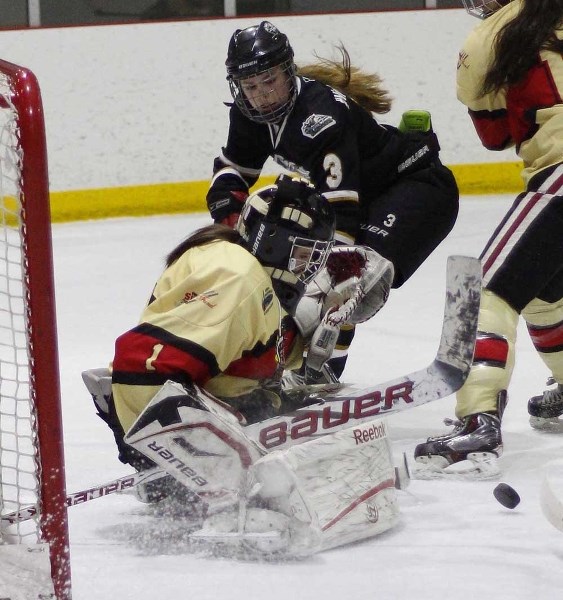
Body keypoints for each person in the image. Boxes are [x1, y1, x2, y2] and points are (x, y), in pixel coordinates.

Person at [206, 21, 460, 380]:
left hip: (418, 189)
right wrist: (232, 230)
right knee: (288, 258)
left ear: (288, 71)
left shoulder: (320, 118)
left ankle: (320, 374)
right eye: (250, 86)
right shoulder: (248, 115)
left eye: (269, 81)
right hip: (365, 196)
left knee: (345, 274)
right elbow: (232, 173)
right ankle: (285, 365)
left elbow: (343, 219)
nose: (261, 94)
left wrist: (322, 279)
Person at [414, 0, 563, 473]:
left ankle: (478, 422)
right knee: (541, 292)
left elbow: (495, 137)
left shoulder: (486, 40)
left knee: (486, 294)